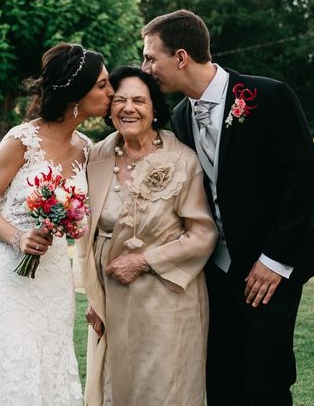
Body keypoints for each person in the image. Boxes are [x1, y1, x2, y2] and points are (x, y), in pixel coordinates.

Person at [141, 10, 314, 405]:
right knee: (221, 379)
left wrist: (274, 259)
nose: (146, 67)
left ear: (181, 57)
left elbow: (302, 180)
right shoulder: (179, 117)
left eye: (150, 57)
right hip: (216, 273)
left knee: (267, 381)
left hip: (272, 269)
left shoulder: (268, 96)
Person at [0, 43, 114, 406]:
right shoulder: (22, 140)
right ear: (76, 92)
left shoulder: (87, 148)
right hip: (8, 273)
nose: (111, 93)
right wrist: (19, 238)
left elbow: (86, 220)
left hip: (52, 276)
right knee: (10, 360)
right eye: (102, 85)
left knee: (50, 358)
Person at [79, 66, 218, 406]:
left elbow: (203, 234)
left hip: (169, 297)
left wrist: (143, 261)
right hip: (112, 298)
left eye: (139, 101)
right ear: (110, 109)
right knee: (117, 388)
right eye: (120, 100)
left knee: (165, 388)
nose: (129, 108)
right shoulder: (95, 156)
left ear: (155, 109)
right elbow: (87, 235)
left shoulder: (182, 159)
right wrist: (94, 298)